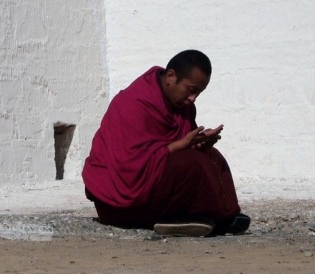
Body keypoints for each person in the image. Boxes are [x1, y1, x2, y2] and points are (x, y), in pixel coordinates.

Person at [82, 49, 250, 237]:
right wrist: (181, 145)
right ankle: (193, 218)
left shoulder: (180, 106)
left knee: (211, 156)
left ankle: (225, 216)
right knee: (190, 166)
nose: (193, 98)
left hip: (151, 188)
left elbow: (179, 146)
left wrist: (199, 142)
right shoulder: (134, 103)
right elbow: (129, 166)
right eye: (191, 90)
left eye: (198, 93)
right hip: (119, 205)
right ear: (171, 76)